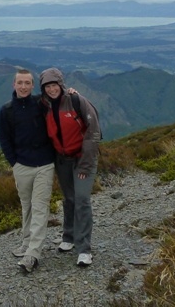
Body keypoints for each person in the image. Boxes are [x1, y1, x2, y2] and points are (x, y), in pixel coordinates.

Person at [38, 67, 101, 267]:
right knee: (70, 199)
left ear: (61, 84)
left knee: (82, 199)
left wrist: (84, 166)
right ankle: (69, 236)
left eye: (54, 85)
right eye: (47, 86)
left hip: (83, 159)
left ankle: (84, 249)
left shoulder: (76, 101)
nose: (51, 89)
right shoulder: (43, 106)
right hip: (62, 160)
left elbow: (93, 132)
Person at [0, 69, 56, 273]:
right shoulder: (7, 111)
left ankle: (33, 254)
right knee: (27, 206)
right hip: (22, 166)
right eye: (20, 82)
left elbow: (60, 98)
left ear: (33, 86)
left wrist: (73, 93)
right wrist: (14, 162)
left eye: (27, 83)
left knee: (40, 206)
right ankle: (26, 241)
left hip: (45, 165)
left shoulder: (42, 104)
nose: (23, 86)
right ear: (14, 85)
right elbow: (3, 138)